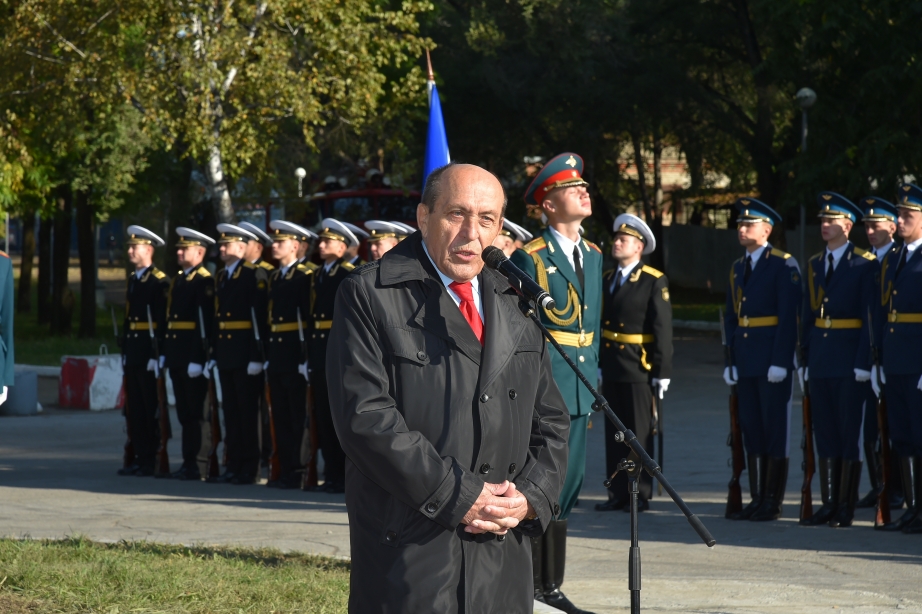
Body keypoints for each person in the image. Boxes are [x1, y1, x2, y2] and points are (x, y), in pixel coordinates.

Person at [326, 162, 569, 613]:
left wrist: (530, 498)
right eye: (457, 214)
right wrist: (461, 495)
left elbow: (551, 420)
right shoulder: (370, 294)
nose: (471, 233)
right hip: (412, 547)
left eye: (487, 219)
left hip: (502, 550)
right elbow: (366, 419)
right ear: (424, 217)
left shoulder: (516, 301)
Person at [509, 153, 600, 614]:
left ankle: (551, 586)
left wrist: (595, 380)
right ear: (547, 204)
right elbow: (522, 331)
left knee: (570, 486)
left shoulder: (594, 255)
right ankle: (529, 583)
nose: (583, 191)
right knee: (540, 483)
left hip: (582, 387)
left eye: (583, 186)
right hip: (547, 388)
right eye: (571, 188)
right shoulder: (530, 257)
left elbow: (593, 327)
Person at [799, 193, 877, 528]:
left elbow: (869, 316)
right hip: (820, 358)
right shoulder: (815, 263)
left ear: (847, 226)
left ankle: (846, 505)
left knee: (848, 433)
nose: (824, 225)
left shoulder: (864, 263)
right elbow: (807, 315)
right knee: (825, 433)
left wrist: (864, 361)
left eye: (831, 221)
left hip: (848, 360)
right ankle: (828, 503)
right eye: (822, 220)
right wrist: (804, 358)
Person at [722, 198, 801, 522]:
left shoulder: (783, 264)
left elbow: (789, 317)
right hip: (745, 359)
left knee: (774, 429)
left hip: (771, 360)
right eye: (740, 224)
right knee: (751, 428)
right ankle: (756, 498)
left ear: (766, 230)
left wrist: (781, 360)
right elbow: (731, 317)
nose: (741, 229)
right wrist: (730, 361)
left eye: (748, 224)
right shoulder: (737, 267)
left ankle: (772, 500)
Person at [596, 214, 673, 513]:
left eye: (623, 240)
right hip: (612, 365)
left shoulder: (653, 280)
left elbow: (662, 329)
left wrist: (662, 371)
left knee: (638, 434)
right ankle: (617, 492)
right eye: (616, 238)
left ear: (639, 247)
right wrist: (599, 362)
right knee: (614, 434)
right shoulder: (607, 278)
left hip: (639, 368)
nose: (617, 243)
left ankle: (638, 493)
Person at [874, 183, 922, 533]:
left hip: (918, 360)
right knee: (902, 436)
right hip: (896, 359)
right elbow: (882, 310)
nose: (900, 220)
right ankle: (913, 507)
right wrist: (878, 360)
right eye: (899, 214)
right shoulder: (893, 257)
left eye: (908, 215)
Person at [206, 224, 269, 485]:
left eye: (227, 245)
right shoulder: (222, 276)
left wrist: (256, 355)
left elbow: (259, 318)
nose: (222, 249)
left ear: (242, 249)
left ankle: (250, 467)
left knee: (247, 412)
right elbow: (216, 317)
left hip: (245, 353)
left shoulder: (254, 274)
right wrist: (213, 351)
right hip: (226, 353)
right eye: (221, 245)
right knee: (230, 411)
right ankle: (233, 464)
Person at [857, 197, 904, 510]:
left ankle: (897, 490)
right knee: (870, 430)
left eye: (877, 225)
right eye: (867, 226)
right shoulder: (864, 262)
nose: (871, 231)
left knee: (894, 428)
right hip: (866, 356)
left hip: (892, 354)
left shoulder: (899, 259)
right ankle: (879, 486)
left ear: (892, 227)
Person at [160, 227, 216, 481]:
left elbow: (203, 325)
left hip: (192, 357)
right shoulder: (179, 280)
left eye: (185, 249)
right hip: (177, 355)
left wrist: (198, 358)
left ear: (200, 253)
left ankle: (201, 462)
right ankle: (188, 461)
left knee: (197, 413)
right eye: (179, 249)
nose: (180, 253)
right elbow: (171, 321)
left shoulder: (204, 281)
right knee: (184, 413)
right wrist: (166, 352)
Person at [307, 218, 357, 493]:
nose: (322, 244)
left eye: (328, 241)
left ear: (341, 247)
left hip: (337, 353)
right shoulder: (317, 274)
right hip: (318, 353)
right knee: (323, 417)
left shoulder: (347, 274)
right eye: (321, 240)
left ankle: (342, 476)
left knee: (339, 417)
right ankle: (330, 473)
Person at [265, 220, 316, 489]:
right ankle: (284, 468)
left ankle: (299, 470)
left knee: (298, 417)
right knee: (281, 416)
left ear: (295, 246)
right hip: (277, 355)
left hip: (296, 354)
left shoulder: (306, 276)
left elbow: (309, 319)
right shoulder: (276, 277)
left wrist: (306, 357)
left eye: (280, 242)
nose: (274, 246)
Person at [118, 225, 170, 477]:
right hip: (133, 351)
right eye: (130, 247)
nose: (130, 251)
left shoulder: (159, 282)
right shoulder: (133, 280)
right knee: (135, 408)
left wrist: (157, 355)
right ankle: (138, 456)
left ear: (149, 250)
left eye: (134, 247)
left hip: (148, 352)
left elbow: (162, 321)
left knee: (150, 408)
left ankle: (151, 457)